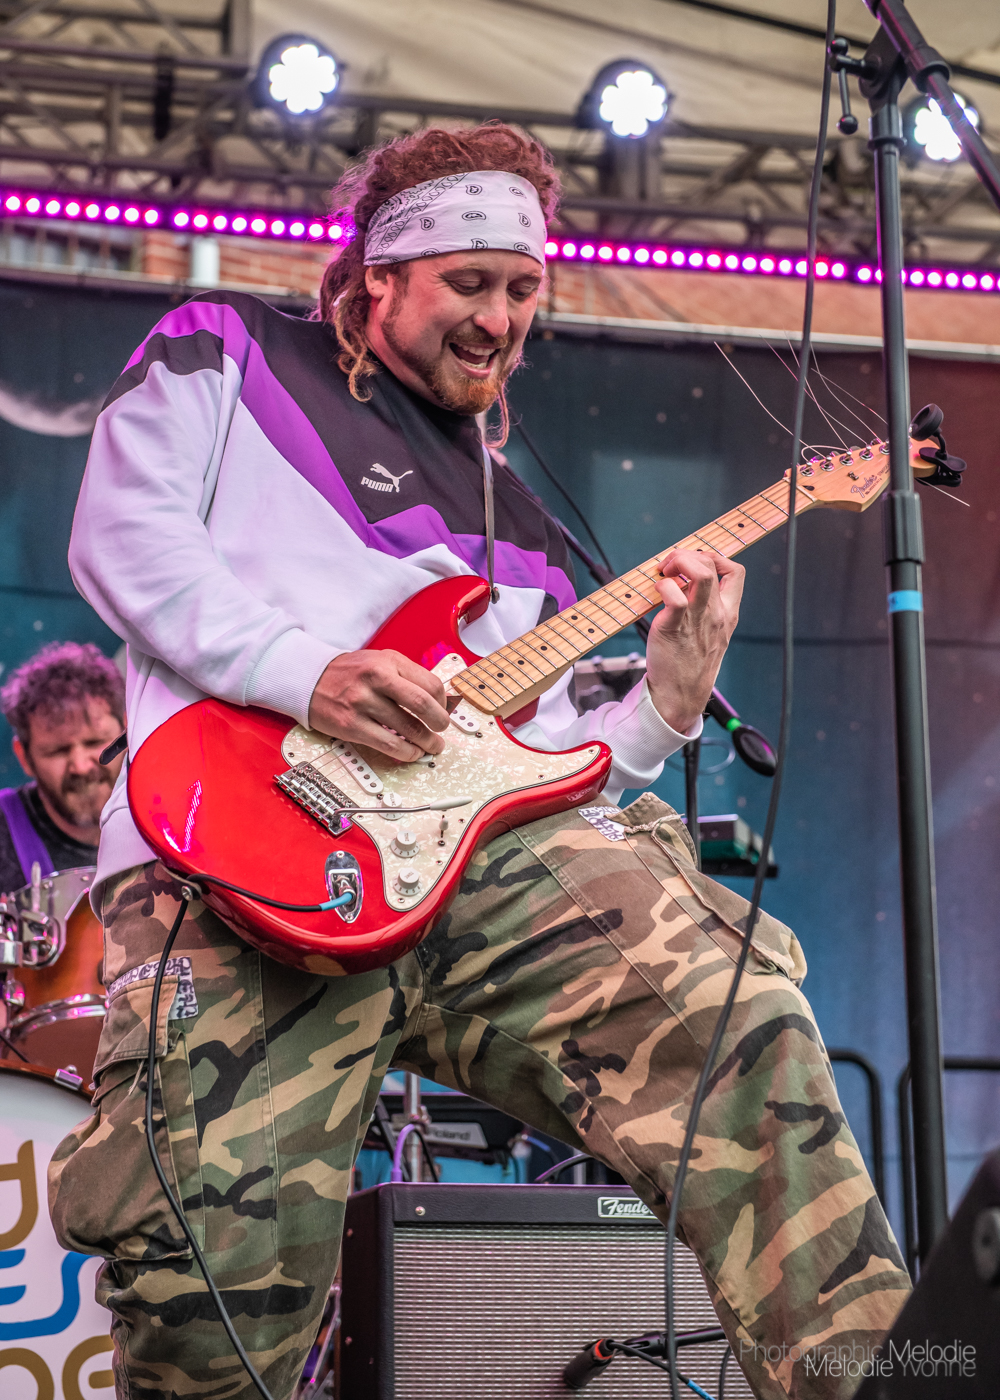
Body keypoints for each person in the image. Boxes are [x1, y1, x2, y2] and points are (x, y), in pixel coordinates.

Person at [51, 124, 910, 1400]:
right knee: (210, 1306)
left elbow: (538, 763)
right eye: (469, 281)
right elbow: (123, 537)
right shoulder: (221, 352)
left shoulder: (530, 530)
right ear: (378, 276)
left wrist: (666, 706)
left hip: (465, 879)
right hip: (229, 851)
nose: (500, 318)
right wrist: (307, 670)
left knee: (734, 1019)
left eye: (522, 287)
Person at [0, 640, 125, 894]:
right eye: (57, 751)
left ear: (127, 732)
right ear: (24, 757)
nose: (81, 766)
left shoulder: (176, 818)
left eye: (94, 742)